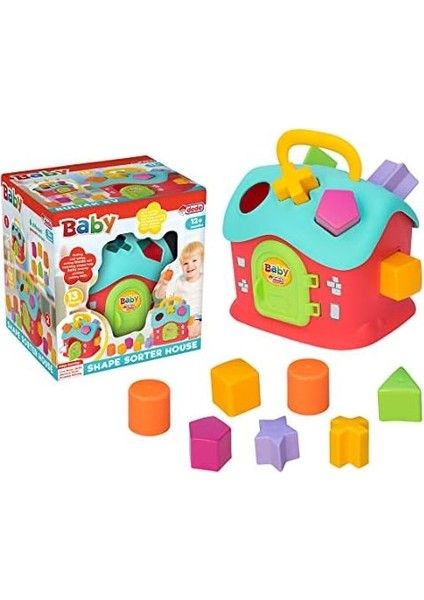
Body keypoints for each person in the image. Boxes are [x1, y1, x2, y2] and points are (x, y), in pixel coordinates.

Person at [153, 241, 204, 338]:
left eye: (194, 260)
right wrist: (164, 284)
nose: (190, 266)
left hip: (196, 317)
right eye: (185, 263)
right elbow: (158, 298)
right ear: (181, 265)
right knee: (156, 332)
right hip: (177, 317)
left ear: (202, 260)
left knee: (191, 331)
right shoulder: (177, 281)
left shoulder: (204, 279)